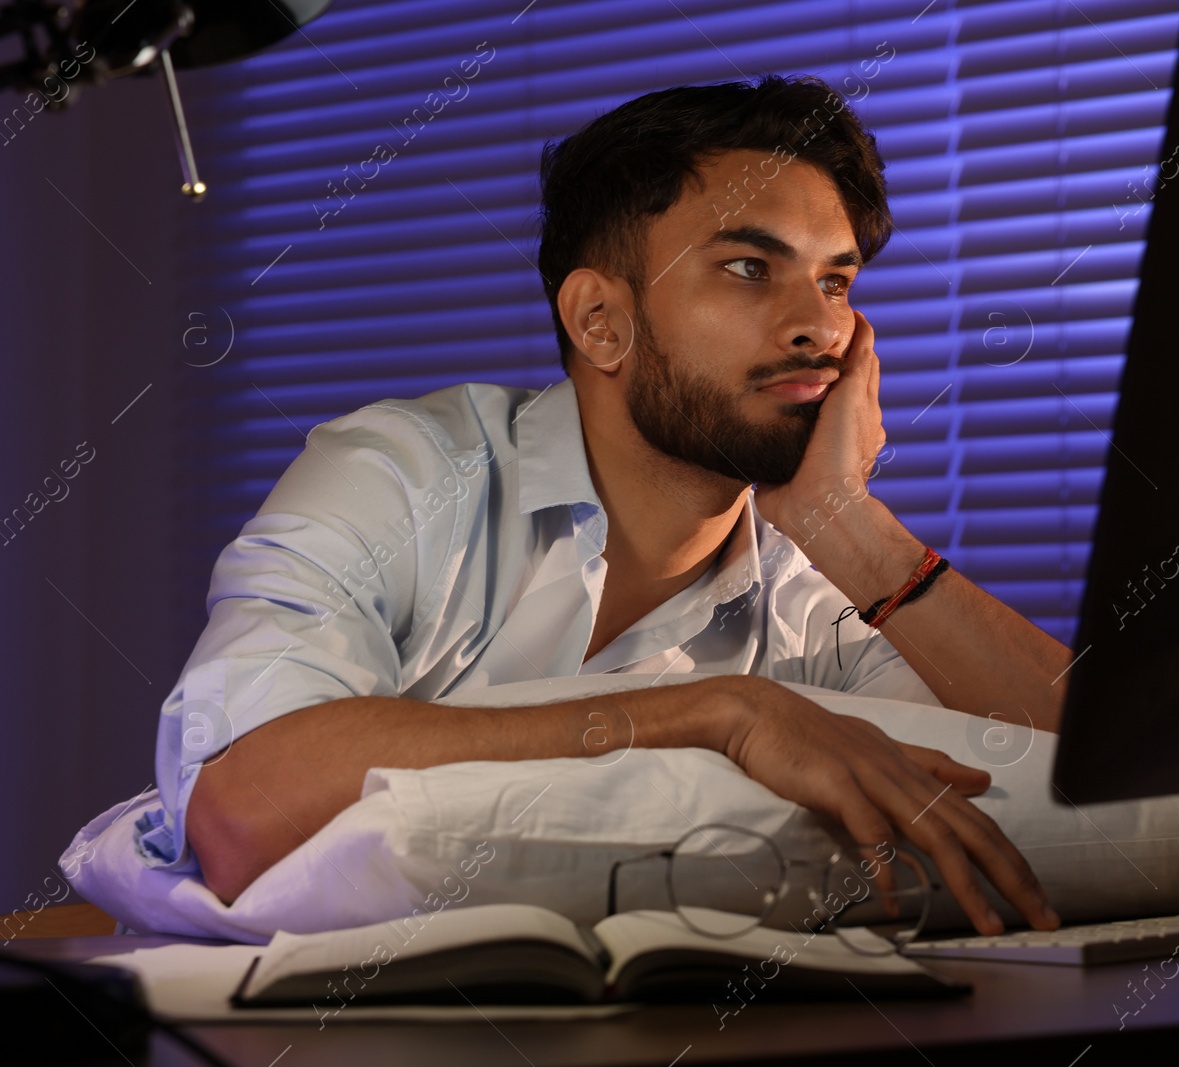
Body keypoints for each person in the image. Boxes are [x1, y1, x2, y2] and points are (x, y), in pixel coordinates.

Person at [150, 73, 1075, 936]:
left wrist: (859, 533)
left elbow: (1099, 790)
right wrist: (714, 714)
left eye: (836, 282)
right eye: (752, 268)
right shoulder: (399, 475)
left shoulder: (822, 587)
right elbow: (241, 809)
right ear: (600, 321)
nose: (824, 327)